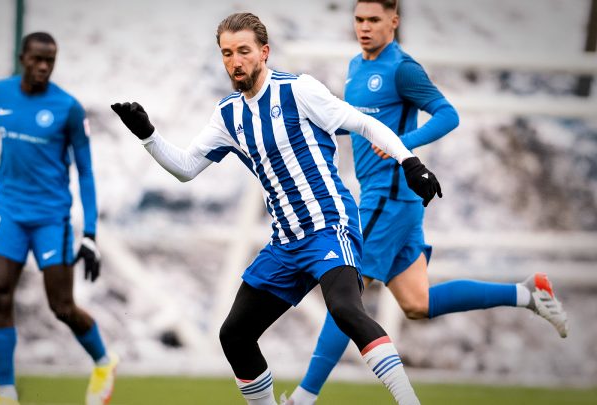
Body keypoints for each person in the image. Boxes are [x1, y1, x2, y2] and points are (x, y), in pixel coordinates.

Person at [111, 12, 445, 405]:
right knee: (234, 335)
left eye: (244, 51)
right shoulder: (228, 115)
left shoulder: (299, 90)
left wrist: (411, 162)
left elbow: (365, 124)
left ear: (264, 52)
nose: (235, 62)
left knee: (345, 310)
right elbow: (186, 168)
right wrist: (148, 135)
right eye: (227, 53)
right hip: (285, 243)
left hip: (328, 225)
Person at [284, 1, 569, 404]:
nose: (364, 28)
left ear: (394, 21)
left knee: (344, 289)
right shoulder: (355, 66)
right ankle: (527, 294)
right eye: (359, 20)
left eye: (374, 20)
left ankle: (303, 398)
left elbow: (447, 115)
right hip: (387, 199)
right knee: (418, 303)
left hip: (390, 195)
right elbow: (361, 122)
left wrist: (403, 146)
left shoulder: (402, 68)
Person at [0, 32, 116, 405]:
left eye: (50, 60)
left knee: (61, 307)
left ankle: (104, 362)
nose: (43, 67)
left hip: (51, 220)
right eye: (37, 59)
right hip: (8, 212)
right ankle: (7, 394)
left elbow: (86, 173)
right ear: (22, 58)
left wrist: (90, 234)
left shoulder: (68, 108)